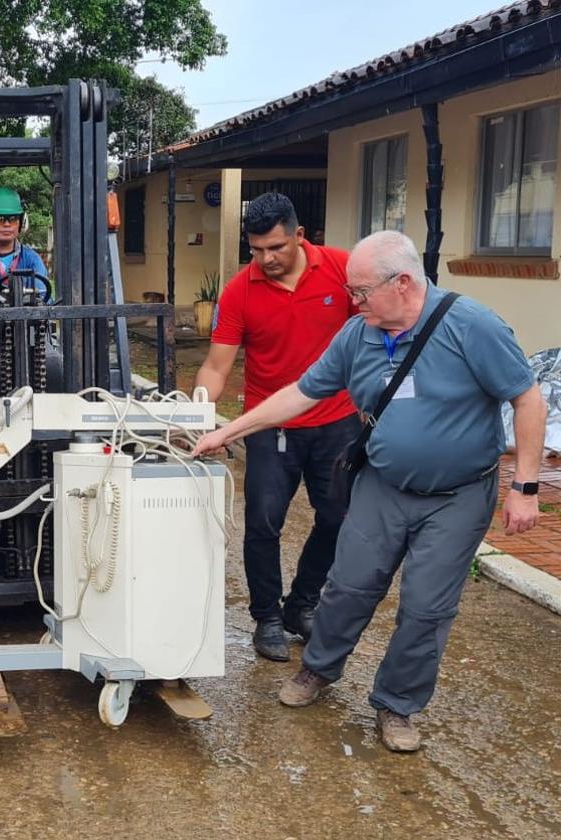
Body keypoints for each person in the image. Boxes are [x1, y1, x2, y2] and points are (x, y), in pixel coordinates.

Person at [193, 230, 544, 752]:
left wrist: (526, 487)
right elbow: (300, 393)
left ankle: (397, 705)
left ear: (402, 283)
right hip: (383, 485)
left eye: (360, 292)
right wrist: (229, 430)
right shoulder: (358, 335)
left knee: (426, 608)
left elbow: (528, 399)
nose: (352, 302)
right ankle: (318, 669)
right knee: (348, 587)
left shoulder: (471, 325)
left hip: (458, 495)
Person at [195, 192, 360, 663]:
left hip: (337, 421)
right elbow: (215, 365)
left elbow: (367, 339)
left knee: (337, 518)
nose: (266, 259)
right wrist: (198, 417)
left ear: (300, 236)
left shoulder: (342, 271)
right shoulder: (239, 291)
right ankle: (266, 615)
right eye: (256, 250)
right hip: (271, 425)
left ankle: (301, 605)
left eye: (276, 248)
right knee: (264, 523)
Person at [0, 186, 50, 304]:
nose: (7, 224)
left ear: (21, 222)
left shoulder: (32, 260)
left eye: (12, 218)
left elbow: (42, 298)